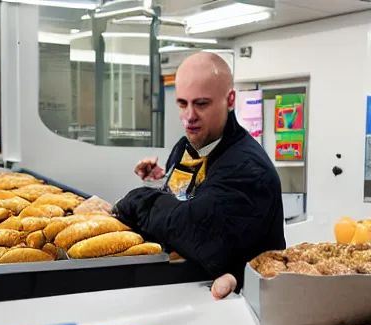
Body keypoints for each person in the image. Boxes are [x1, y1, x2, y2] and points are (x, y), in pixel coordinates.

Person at [111, 51, 286, 295]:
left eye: (201, 104)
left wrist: (133, 201)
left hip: (240, 307)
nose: (189, 116)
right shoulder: (186, 148)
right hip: (184, 292)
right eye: (183, 103)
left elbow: (194, 228)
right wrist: (160, 182)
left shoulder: (249, 168)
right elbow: (181, 200)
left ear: (231, 100)